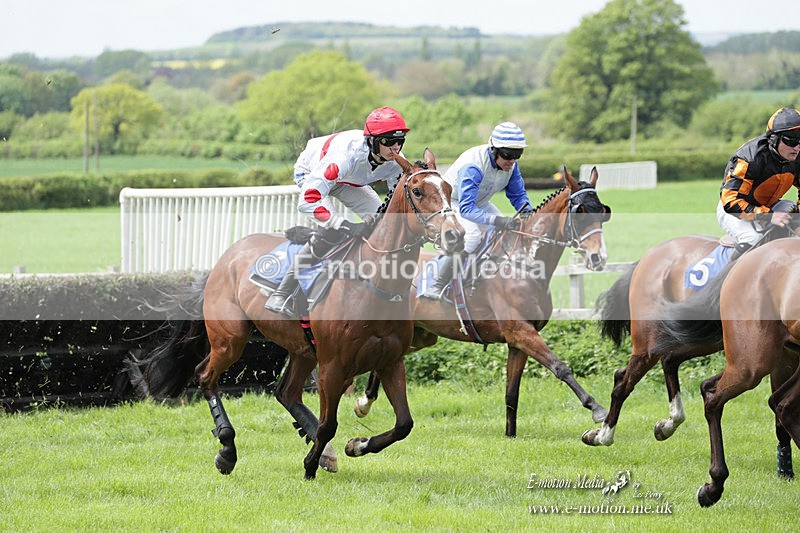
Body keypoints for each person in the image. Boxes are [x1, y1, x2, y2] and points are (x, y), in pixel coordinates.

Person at [266, 106, 410, 316]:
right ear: (372, 141)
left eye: (400, 141)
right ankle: (283, 291)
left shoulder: (396, 160)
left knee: (382, 226)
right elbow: (308, 201)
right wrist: (344, 224)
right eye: (388, 141)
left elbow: (396, 205)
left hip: (347, 181)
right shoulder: (344, 157)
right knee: (332, 231)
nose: (395, 147)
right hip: (312, 174)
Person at [423, 121, 533, 298]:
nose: (512, 160)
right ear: (494, 149)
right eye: (507, 154)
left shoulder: (511, 166)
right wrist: (497, 220)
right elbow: (467, 209)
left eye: (517, 154)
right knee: (473, 236)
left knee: (507, 232)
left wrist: (528, 210)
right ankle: (436, 284)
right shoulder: (473, 167)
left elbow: (518, 195)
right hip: (453, 204)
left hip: (478, 203)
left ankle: (486, 276)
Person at [718, 107, 800, 257]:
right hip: (735, 210)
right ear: (774, 139)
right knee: (753, 238)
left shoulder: (797, 156)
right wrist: (769, 215)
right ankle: (723, 279)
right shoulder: (749, 158)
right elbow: (731, 202)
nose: (797, 147)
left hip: (771, 205)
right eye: (792, 140)